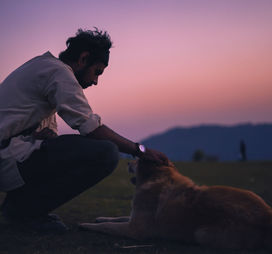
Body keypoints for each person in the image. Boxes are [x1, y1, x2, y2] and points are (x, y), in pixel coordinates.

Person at [0, 28, 168, 233]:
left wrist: (42, 137)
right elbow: (91, 128)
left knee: (68, 149)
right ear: (83, 58)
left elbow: (49, 135)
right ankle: (25, 211)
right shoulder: (58, 72)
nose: (96, 81)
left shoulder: (42, 67)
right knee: (105, 153)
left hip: (11, 154)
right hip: (6, 155)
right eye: (96, 72)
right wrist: (139, 150)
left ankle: (21, 205)